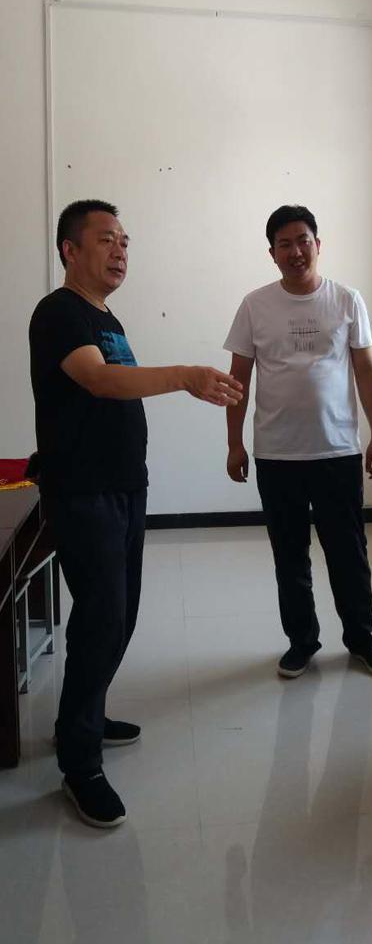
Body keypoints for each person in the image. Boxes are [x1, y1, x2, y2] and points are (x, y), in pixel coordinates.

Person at [29, 199, 242, 828]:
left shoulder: (105, 316)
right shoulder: (59, 312)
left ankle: (84, 714)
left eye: (125, 240)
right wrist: (184, 375)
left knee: (119, 615)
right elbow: (100, 381)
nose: (120, 250)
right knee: (102, 618)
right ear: (70, 249)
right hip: (83, 491)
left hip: (123, 487)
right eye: (105, 239)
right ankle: (79, 763)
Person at [223, 204, 372, 680]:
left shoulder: (346, 300)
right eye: (285, 244)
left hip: (337, 451)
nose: (296, 251)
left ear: (318, 244)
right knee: (289, 555)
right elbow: (238, 379)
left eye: (303, 240)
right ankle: (302, 641)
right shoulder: (255, 305)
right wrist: (234, 443)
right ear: (272, 253)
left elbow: (366, 370)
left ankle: (362, 639)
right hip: (276, 453)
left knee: (349, 553)